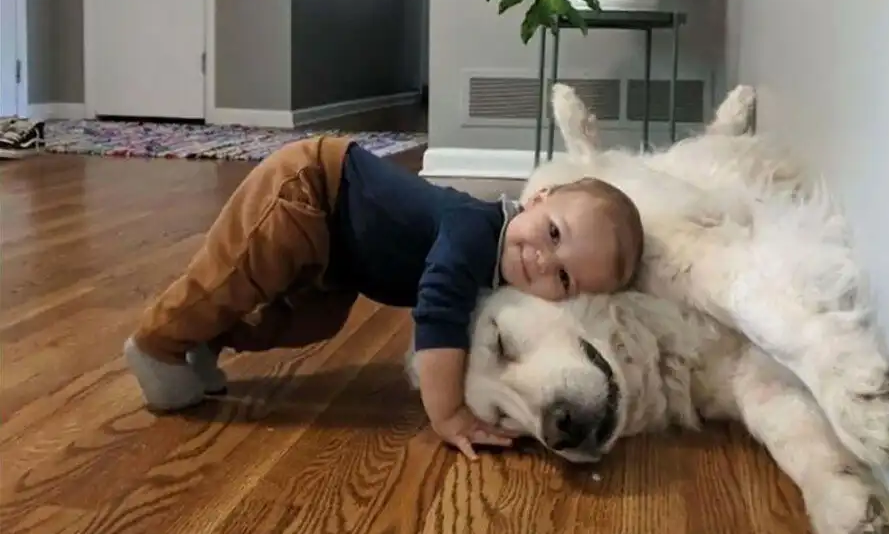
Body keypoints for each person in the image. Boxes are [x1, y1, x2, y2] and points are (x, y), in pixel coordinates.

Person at [124, 134, 644, 458]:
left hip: (339, 257)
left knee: (309, 321)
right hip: (309, 189)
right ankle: (157, 346)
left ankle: (209, 340)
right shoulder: (472, 229)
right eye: (552, 234)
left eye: (564, 278)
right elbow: (437, 311)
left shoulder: (503, 265)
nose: (543, 261)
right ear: (537, 198)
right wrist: (448, 414)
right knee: (232, 276)